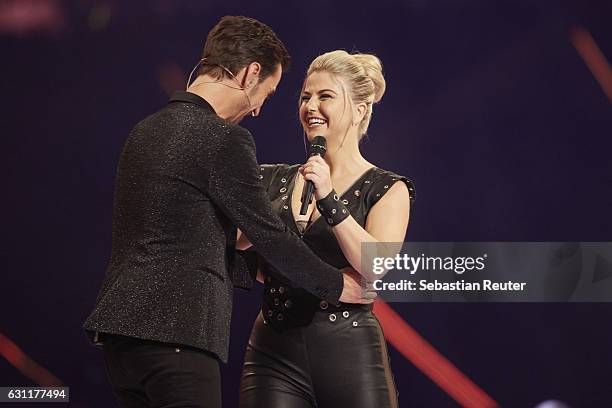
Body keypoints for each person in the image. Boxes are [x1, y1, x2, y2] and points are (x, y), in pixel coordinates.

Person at [82, 17, 368, 408]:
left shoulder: (144, 131)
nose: (255, 111)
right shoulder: (224, 138)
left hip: (119, 342)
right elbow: (271, 236)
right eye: (265, 95)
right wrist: (337, 286)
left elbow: (176, 226)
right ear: (251, 74)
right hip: (177, 336)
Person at [238, 50, 415, 408]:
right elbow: (236, 246)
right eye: (305, 97)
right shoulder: (271, 178)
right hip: (273, 348)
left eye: (325, 96)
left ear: (361, 109)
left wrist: (330, 199)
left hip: (347, 346)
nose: (311, 106)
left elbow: (374, 266)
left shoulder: (386, 188)